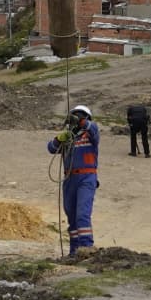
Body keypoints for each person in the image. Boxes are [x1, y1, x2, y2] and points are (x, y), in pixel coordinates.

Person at [47, 105, 100, 255]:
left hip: (86, 178)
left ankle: (87, 249)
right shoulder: (69, 137)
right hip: (69, 179)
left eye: (80, 116)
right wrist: (59, 139)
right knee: (72, 216)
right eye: (75, 117)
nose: (76, 120)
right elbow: (51, 148)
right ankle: (74, 251)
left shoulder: (91, 135)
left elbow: (93, 129)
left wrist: (82, 123)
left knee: (82, 214)